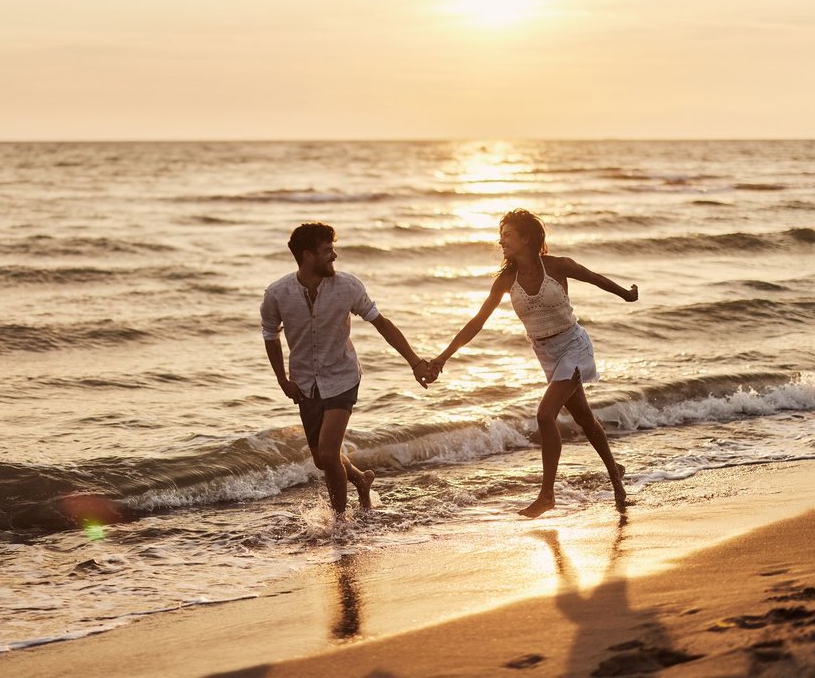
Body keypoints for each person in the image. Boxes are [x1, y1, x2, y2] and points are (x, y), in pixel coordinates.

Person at [429, 209, 636, 517]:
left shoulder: (557, 266)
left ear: (526, 238)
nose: (501, 241)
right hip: (546, 355)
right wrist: (442, 358)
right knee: (584, 419)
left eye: (508, 235)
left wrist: (626, 295)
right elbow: (477, 322)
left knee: (544, 415)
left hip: (574, 346)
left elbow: (595, 278)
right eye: (501, 236)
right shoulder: (506, 280)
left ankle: (547, 495)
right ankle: (616, 478)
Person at [261, 222, 435, 516]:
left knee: (329, 454)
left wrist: (414, 361)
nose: (335, 255)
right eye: (327, 250)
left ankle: (339, 524)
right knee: (322, 460)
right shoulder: (277, 294)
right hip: (305, 383)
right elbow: (270, 334)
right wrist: (282, 379)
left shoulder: (348, 287)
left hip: (342, 377)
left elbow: (382, 324)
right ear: (307, 256)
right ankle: (361, 479)